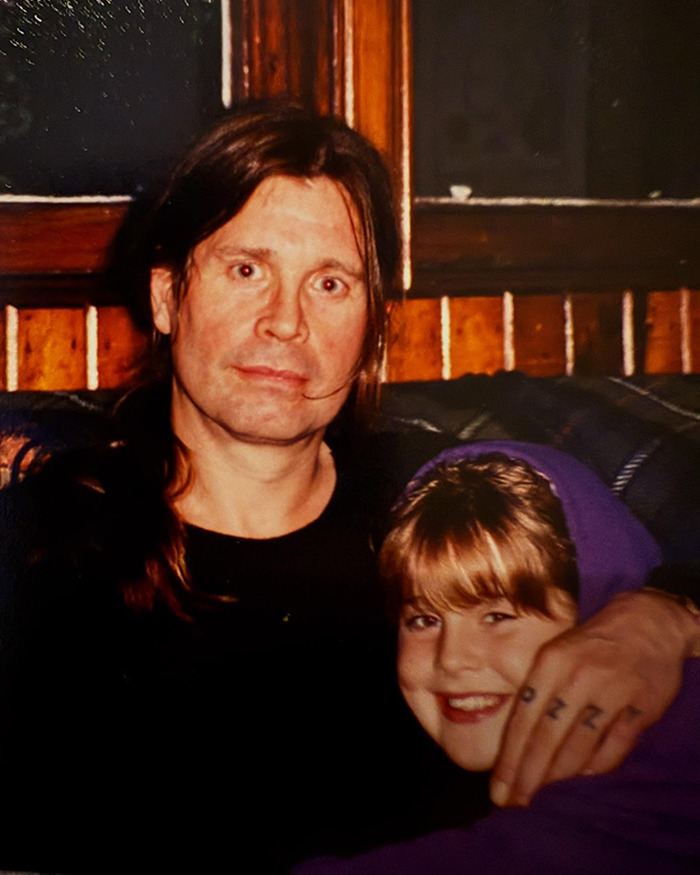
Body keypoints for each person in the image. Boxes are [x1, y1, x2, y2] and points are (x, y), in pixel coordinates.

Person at [0, 101, 698, 874]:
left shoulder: (437, 493)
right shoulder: (39, 546)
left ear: (372, 323)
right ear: (167, 296)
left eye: (330, 283)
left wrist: (666, 613)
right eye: (246, 269)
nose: (285, 322)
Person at [293, 442, 700, 874]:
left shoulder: (664, 772)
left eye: (498, 615)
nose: (452, 659)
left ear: (597, 614)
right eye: (424, 620)